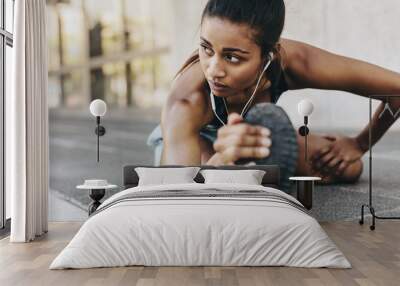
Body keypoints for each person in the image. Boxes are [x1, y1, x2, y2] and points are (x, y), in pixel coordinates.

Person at [147, 0, 400, 191]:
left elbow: (396, 89)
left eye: (232, 57)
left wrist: (360, 144)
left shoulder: (294, 63)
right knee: (209, 185)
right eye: (206, 48)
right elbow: (175, 199)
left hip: (255, 136)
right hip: (196, 140)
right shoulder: (186, 100)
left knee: (349, 167)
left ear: (268, 55)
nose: (213, 70)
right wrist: (220, 161)